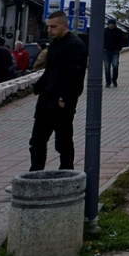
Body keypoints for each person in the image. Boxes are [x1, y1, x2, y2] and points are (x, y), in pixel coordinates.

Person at [29, 11, 88, 171]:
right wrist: (39, 87)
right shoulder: (54, 44)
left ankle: (66, 172)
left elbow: (75, 77)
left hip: (62, 101)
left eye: (53, 27)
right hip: (46, 98)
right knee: (37, 140)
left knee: (63, 141)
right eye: (48, 27)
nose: (49, 30)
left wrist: (64, 99)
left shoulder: (75, 46)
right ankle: (35, 173)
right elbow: (50, 71)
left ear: (65, 25)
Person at [102, 19, 127, 88]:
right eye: (110, 24)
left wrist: (119, 48)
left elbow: (122, 41)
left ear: (115, 24)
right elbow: (101, 40)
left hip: (115, 51)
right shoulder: (104, 31)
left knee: (115, 66)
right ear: (108, 24)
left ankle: (114, 81)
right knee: (107, 67)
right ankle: (108, 82)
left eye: (112, 24)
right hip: (106, 51)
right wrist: (103, 47)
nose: (111, 25)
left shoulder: (118, 31)